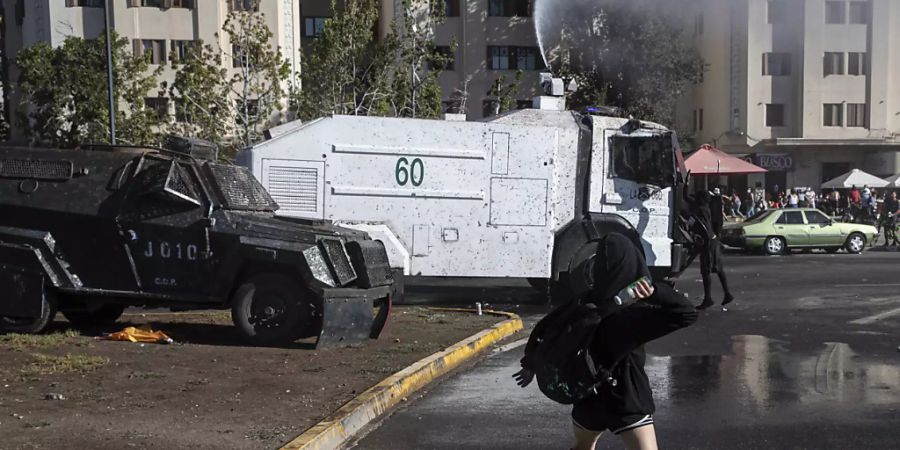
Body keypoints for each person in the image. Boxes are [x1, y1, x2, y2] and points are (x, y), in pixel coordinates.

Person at [514, 233, 698, 450]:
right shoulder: (630, 316)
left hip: (587, 399)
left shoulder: (584, 302)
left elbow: (547, 328)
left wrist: (530, 363)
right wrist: (654, 291)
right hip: (626, 401)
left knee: (583, 446)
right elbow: (687, 313)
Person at [691, 191, 736, 309]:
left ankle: (708, 298)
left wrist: (700, 239)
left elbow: (704, 227)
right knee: (718, 268)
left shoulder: (702, 210)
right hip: (713, 242)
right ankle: (726, 293)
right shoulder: (707, 208)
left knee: (706, 271)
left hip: (708, 244)